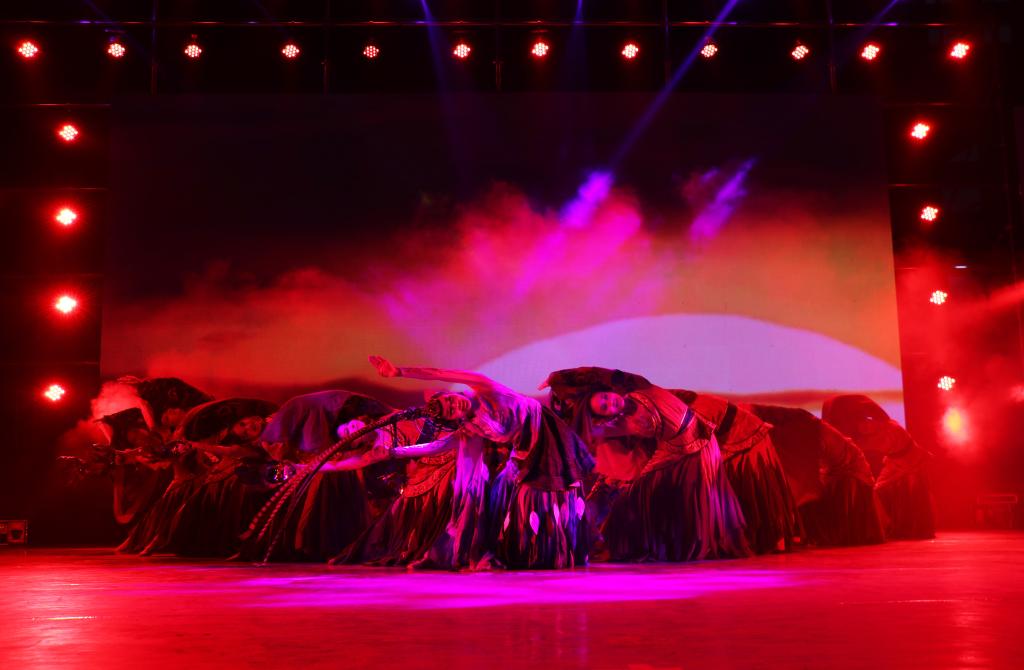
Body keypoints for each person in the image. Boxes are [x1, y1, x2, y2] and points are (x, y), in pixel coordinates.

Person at [332, 356, 593, 570]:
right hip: (524, 454)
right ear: (453, 419)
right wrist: (393, 453)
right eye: (450, 410)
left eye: (448, 400)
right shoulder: (472, 426)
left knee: (538, 496)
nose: (453, 404)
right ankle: (515, 555)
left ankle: (555, 553)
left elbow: (440, 373)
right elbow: (436, 446)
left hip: (548, 436)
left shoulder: (485, 388)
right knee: (490, 498)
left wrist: (399, 372)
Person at [543, 367, 749, 562]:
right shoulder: (624, 423)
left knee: (647, 494)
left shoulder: (638, 388)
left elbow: (602, 373)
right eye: (605, 408)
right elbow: (585, 434)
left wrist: (559, 378)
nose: (610, 403)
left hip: (699, 447)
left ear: (608, 390)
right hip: (687, 452)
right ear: (605, 417)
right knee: (635, 494)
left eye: (605, 397)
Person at [255, 390, 403, 560]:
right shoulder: (365, 429)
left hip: (351, 453)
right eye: (352, 430)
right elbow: (338, 462)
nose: (354, 430)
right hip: (332, 453)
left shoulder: (377, 437)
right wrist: (301, 466)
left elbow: (345, 461)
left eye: (353, 431)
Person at [668, 390, 801, 553]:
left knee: (752, 492)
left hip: (748, 441)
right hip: (735, 441)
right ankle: (765, 540)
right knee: (743, 492)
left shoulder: (687, 412)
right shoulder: (682, 406)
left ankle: (769, 540)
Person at [746, 403, 885, 546]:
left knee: (808, 494)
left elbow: (804, 483)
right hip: (836, 468)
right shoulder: (798, 424)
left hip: (849, 471)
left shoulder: (801, 430)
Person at [165, 398, 280, 557]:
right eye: (245, 433)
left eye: (243, 424)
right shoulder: (257, 445)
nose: (248, 428)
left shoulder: (277, 419)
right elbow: (230, 451)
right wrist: (194, 445)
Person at [822, 395, 935, 539]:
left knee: (894, 492)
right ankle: (890, 526)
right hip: (895, 463)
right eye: (861, 426)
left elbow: (868, 441)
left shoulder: (886, 428)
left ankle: (900, 527)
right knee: (881, 490)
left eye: (866, 424)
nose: (864, 427)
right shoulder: (877, 430)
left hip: (911, 462)